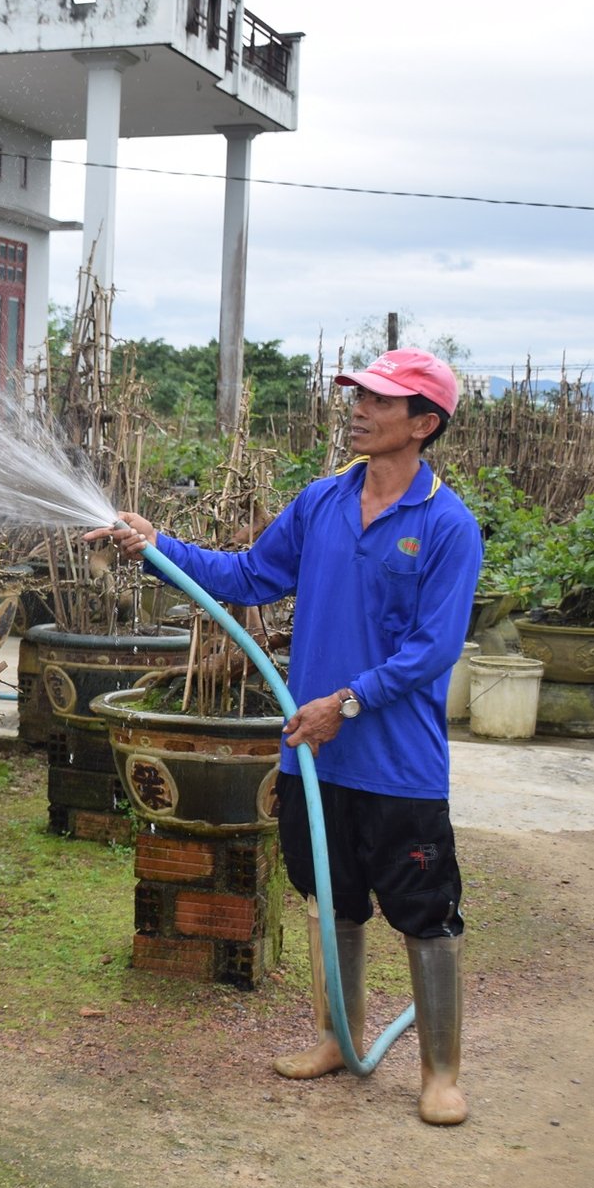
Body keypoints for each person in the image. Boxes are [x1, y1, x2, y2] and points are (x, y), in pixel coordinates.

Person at [87, 348, 481, 1126]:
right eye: (358, 394)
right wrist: (156, 545)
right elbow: (244, 576)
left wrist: (347, 702)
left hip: (398, 766)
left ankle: (441, 1073)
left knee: (425, 911)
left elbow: (433, 649)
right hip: (311, 754)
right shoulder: (322, 503)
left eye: (380, 400)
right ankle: (338, 1036)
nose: (359, 408)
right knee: (329, 898)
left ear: (425, 423)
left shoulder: (446, 524)